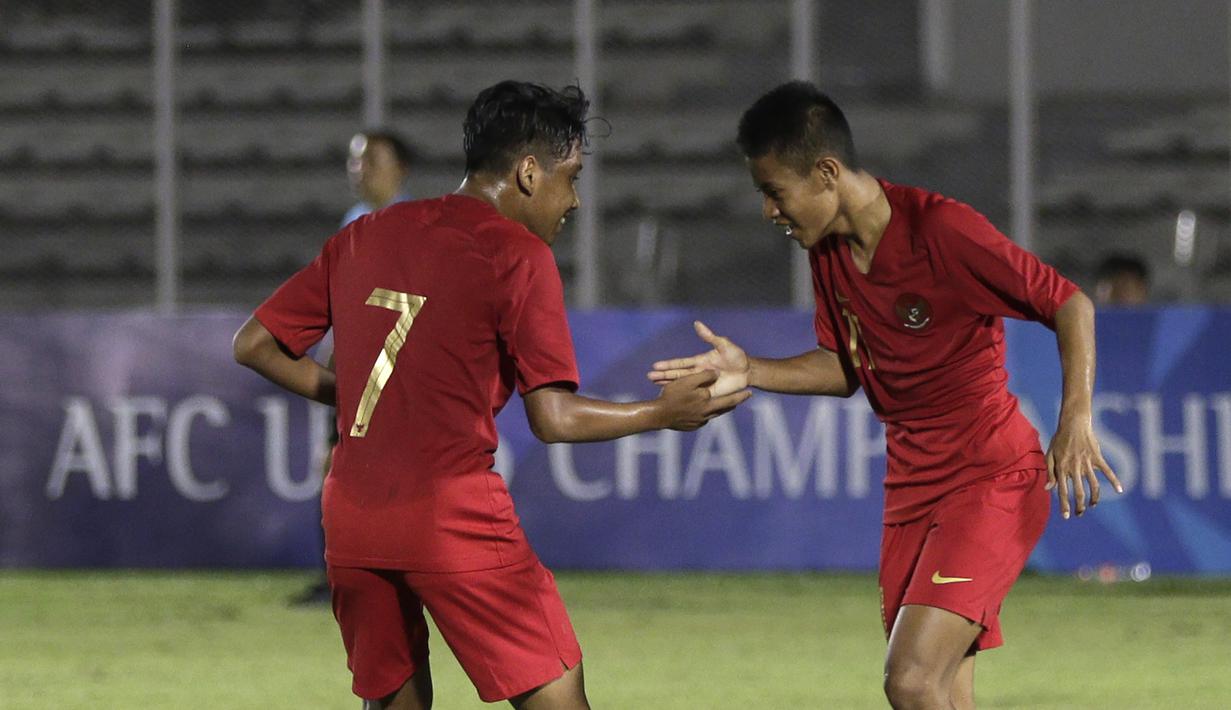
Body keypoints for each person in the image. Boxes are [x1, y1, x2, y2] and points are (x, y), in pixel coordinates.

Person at [234, 80, 749, 710]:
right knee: (559, 698)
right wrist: (660, 413)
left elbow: (255, 344)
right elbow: (553, 416)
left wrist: (358, 396)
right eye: (571, 175)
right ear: (530, 173)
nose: (576, 199)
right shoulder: (517, 255)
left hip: (351, 513)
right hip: (450, 513)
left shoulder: (364, 235)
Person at [648, 81, 1121, 710]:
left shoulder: (942, 230)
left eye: (774, 192)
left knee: (910, 680)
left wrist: (1076, 419)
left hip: (990, 478)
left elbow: (1069, 303)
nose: (769, 212)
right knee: (944, 691)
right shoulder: (828, 254)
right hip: (911, 489)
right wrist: (752, 369)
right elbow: (848, 368)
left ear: (825, 173)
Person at [292, 128, 416, 606]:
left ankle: (379, 581)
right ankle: (345, 580)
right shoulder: (355, 220)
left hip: (387, 370)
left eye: (371, 160)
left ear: (400, 169)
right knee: (339, 472)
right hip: (353, 367)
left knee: (372, 477)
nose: (359, 169)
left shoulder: (407, 224)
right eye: (355, 161)